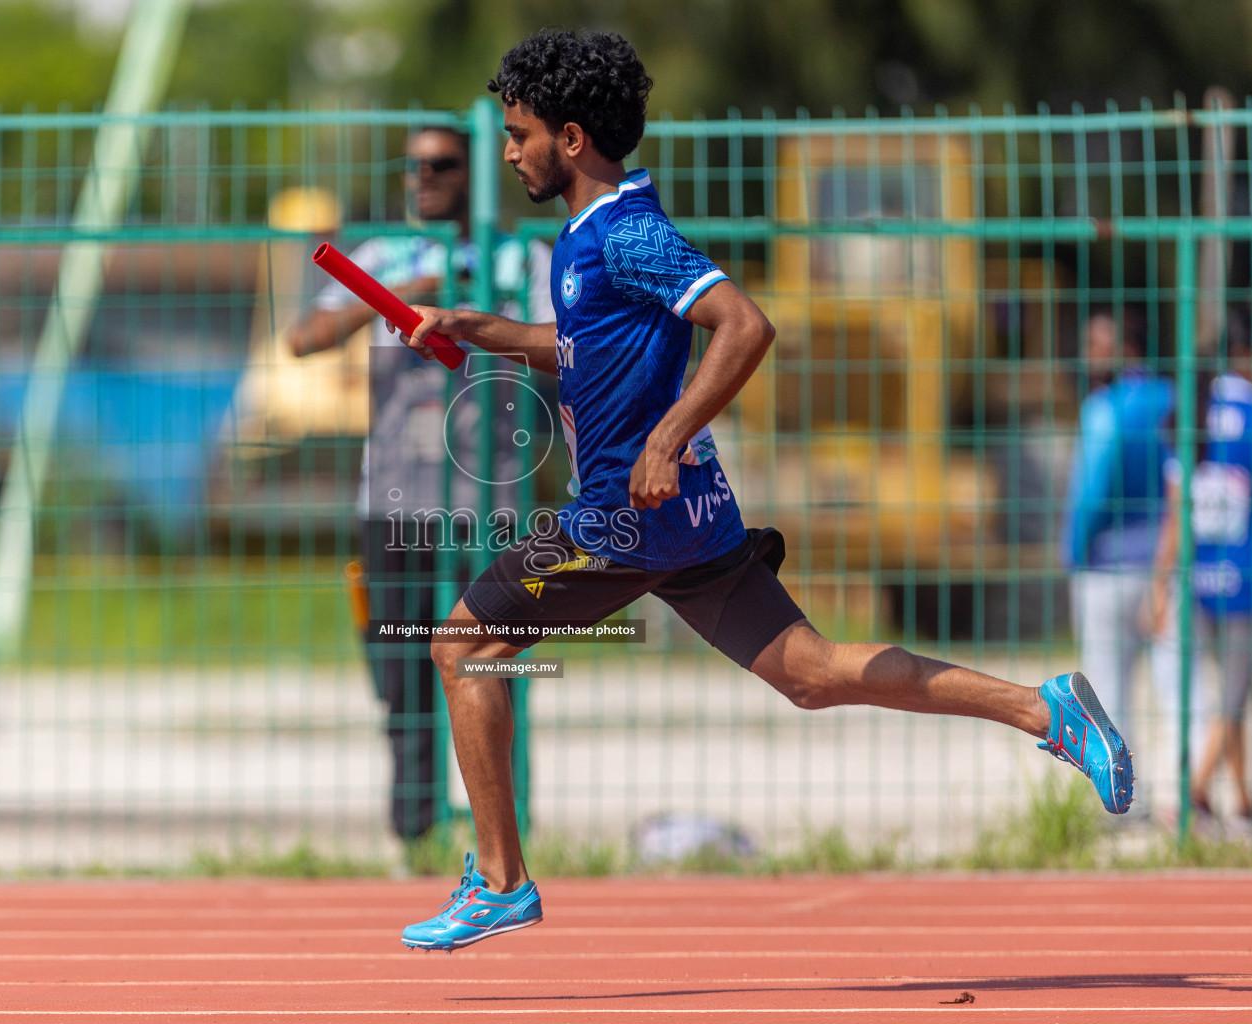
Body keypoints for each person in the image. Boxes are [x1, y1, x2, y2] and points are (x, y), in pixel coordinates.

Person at [391, 29, 1133, 951]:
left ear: (571, 138)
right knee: (811, 674)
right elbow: (585, 349)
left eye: (518, 132)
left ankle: (499, 881)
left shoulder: (628, 233)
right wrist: (480, 328)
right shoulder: (587, 238)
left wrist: (665, 437)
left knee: (463, 645)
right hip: (687, 519)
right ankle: (1043, 706)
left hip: (628, 513)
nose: (506, 151)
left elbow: (744, 324)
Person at [285, 127, 553, 844]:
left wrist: (474, 313)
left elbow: (562, 349)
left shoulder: (518, 258)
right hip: (395, 498)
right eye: (413, 165)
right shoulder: (379, 260)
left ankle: (500, 829)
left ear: (475, 172)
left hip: (490, 499)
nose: (423, 177)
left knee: (492, 665)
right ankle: (415, 831)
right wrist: (401, 297)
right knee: (400, 670)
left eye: (440, 164)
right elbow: (302, 339)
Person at [1062, 309, 1200, 824]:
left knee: (1107, 693)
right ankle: (1191, 798)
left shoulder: (1102, 408)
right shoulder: (1172, 399)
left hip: (1105, 566)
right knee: (1180, 685)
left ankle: (1122, 807)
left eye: (1096, 343)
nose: (1087, 353)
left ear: (1125, 347)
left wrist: (1072, 551)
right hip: (1166, 563)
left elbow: (1091, 491)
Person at [1142, 310, 1252, 838]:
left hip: (1200, 577)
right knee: (1236, 696)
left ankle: (1241, 801)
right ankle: (1190, 794)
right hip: (1250, 577)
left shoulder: (1192, 411)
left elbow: (1177, 511)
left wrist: (1159, 583)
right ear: (1248, 352)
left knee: (1227, 695)